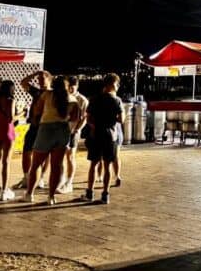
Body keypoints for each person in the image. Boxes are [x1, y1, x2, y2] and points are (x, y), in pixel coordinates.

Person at [22, 76, 79, 205]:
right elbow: (76, 118)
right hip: (63, 131)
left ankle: (29, 193)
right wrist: (69, 130)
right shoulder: (73, 100)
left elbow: (37, 110)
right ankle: (51, 196)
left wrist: (38, 121)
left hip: (45, 129)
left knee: (36, 164)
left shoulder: (47, 95)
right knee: (56, 166)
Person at [82, 73, 124, 204]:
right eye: (117, 84)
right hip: (110, 136)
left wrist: (95, 126)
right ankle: (105, 194)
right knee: (107, 166)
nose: (118, 87)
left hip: (96, 135)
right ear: (112, 84)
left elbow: (88, 118)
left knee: (93, 165)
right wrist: (112, 118)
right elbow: (121, 119)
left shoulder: (94, 99)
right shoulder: (117, 100)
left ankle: (90, 192)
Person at [14, 70, 51, 190]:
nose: (39, 81)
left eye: (42, 79)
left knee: (45, 154)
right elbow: (24, 82)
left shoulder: (51, 94)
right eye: (38, 79)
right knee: (27, 151)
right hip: (34, 126)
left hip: (45, 126)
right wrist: (35, 74)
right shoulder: (37, 92)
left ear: (49, 80)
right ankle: (26, 177)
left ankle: (41, 178)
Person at [58, 76, 89, 194]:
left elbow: (84, 118)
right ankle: (61, 179)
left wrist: (76, 129)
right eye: (69, 86)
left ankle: (69, 182)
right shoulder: (63, 97)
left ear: (77, 86)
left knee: (70, 156)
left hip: (73, 131)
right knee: (60, 155)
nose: (70, 88)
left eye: (73, 86)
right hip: (62, 130)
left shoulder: (82, 100)